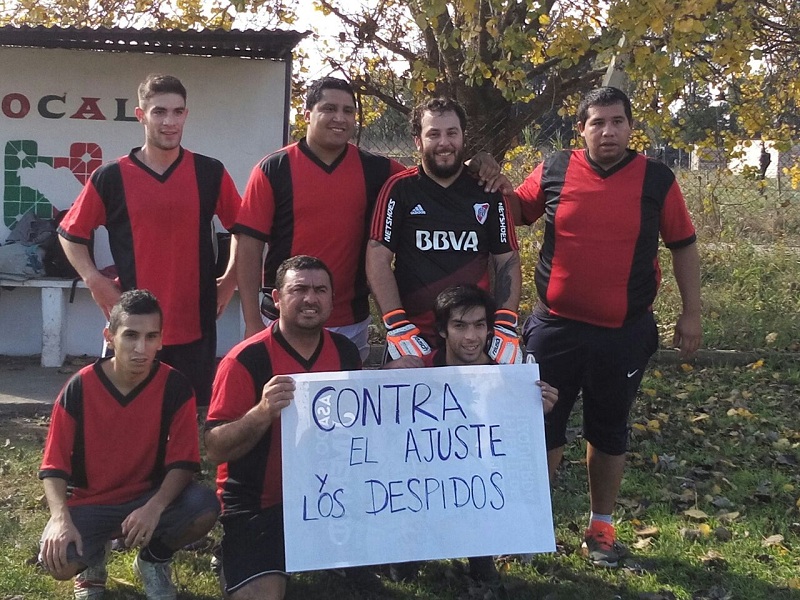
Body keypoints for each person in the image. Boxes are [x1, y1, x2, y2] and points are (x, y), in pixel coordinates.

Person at [509, 86, 702, 568]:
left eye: (617, 121)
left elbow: (683, 245)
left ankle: (601, 528)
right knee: (539, 426)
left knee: (608, 429)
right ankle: (528, 525)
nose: (608, 131)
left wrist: (692, 312)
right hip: (554, 328)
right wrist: (485, 179)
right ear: (581, 129)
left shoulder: (656, 179)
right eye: (597, 122)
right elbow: (510, 213)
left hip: (623, 332)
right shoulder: (554, 168)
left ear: (631, 127)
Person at [234, 77, 505, 361]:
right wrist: (252, 320)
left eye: (348, 111)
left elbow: (433, 176)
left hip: (350, 321)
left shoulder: (379, 170)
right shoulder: (273, 169)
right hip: (283, 319)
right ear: (307, 115)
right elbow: (249, 246)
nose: (340, 118)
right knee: (278, 399)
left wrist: (475, 164)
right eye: (329, 109)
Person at [58, 73, 242, 407]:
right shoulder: (111, 177)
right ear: (141, 115)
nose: (169, 121)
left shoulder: (209, 172)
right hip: (132, 326)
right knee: (129, 416)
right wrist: (93, 278)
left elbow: (245, 230)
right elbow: (71, 233)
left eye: (177, 112)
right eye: (159, 112)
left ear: (186, 114)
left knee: (191, 416)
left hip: (195, 324)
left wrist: (229, 279)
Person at [38, 290, 220, 600]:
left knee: (205, 508)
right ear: (109, 336)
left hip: (146, 496)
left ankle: (153, 560)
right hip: (91, 501)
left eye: (151, 337)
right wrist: (59, 519)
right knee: (59, 563)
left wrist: (155, 506)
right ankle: (92, 562)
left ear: (162, 340)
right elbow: (53, 466)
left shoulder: (176, 387)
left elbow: (184, 463)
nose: (141, 348)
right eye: (131, 335)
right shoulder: (80, 387)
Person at [204, 255, 362, 600]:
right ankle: (235, 552)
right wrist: (261, 413)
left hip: (331, 499)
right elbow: (215, 447)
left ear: (332, 300)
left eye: (320, 290)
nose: (310, 299)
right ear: (276, 298)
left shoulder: (347, 354)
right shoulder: (246, 359)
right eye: (299, 289)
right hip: (259, 502)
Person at [385, 284, 558, 583]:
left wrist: (535, 413)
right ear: (442, 330)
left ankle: (481, 550)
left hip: (477, 483)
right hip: (421, 482)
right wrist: (383, 378)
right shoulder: (417, 372)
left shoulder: (507, 380)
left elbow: (516, 450)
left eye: (480, 326)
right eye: (460, 326)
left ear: (490, 329)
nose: (471, 337)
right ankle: (411, 546)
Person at [366, 97, 522, 365]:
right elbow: (377, 257)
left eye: (452, 133)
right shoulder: (399, 189)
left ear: (463, 136)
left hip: (472, 337)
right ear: (418, 140)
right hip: (415, 337)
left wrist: (505, 323)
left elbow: (506, 259)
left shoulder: (487, 189)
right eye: (433, 134)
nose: (444, 143)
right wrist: (396, 324)